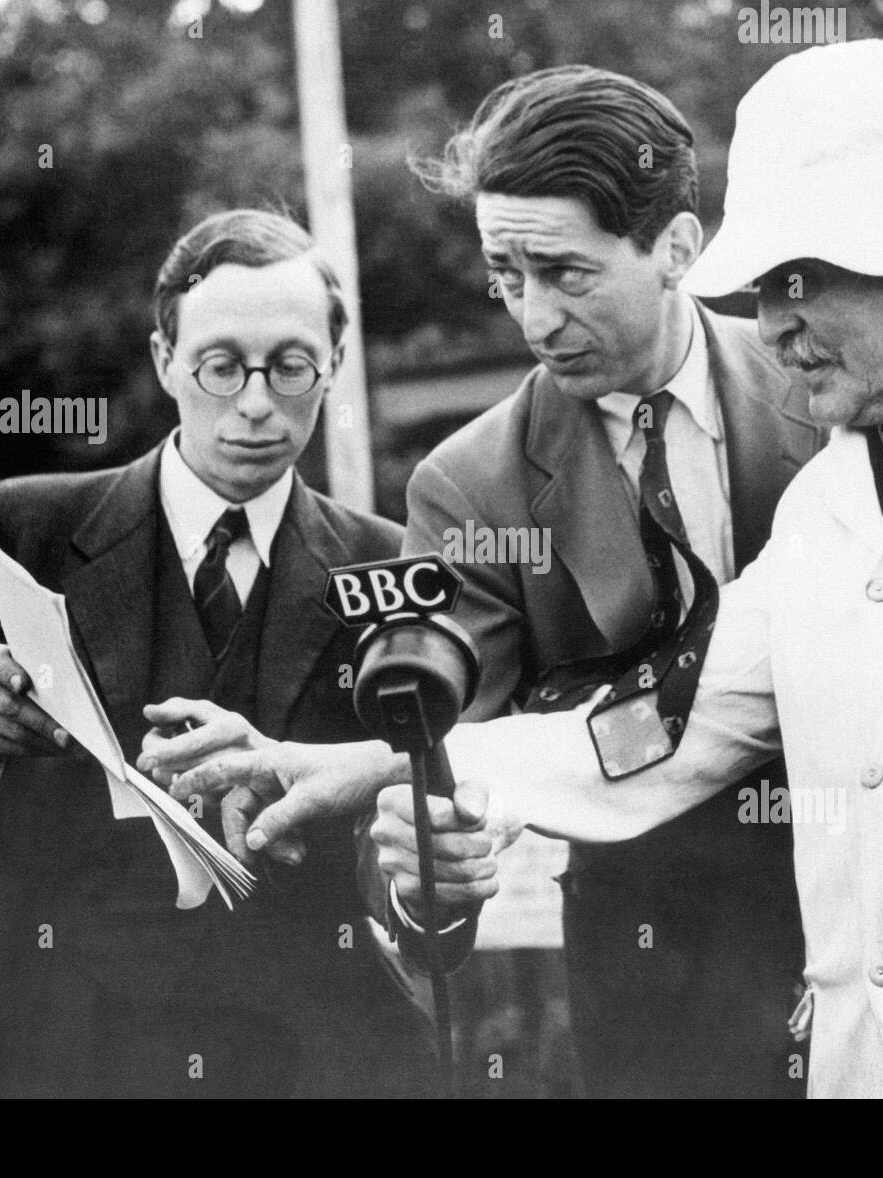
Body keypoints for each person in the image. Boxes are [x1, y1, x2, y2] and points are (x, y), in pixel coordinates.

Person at [176, 40, 883, 1098]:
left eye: (799, 280)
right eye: (763, 286)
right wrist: (369, 765)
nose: (774, 322)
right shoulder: (829, 508)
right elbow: (662, 727)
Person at [147, 65, 824, 1099]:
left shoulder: (827, 382)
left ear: (677, 248)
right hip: (667, 984)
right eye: (505, 273)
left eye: (565, 273)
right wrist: (429, 886)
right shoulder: (471, 488)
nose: (532, 316)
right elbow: (437, 758)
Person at [0, 209, 436, 1098]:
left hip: (306, 1045)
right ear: (165, 360)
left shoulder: (392, 567)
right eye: (220, 364)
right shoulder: (14, 531)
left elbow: (410, 813)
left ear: (334, 368)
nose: (254, 401)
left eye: (291, 366)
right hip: (48, 1036)